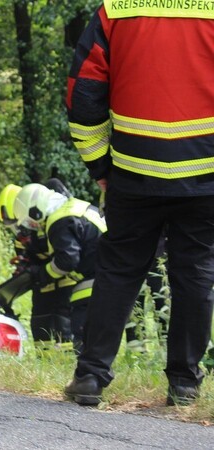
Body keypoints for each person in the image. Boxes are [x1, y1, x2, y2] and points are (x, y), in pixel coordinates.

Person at [64, 3, 214, 407]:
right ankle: (184, 384)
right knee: (195, 272)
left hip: (133, 171)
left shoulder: (117, 10)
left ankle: (91, 376)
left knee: (118, 270)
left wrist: (98, 163)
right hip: (205, 173)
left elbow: (85, 93)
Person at [11, 183, 106, 352]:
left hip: (100, 273)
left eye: (30, 221)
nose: (33, 226)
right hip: (111, 269)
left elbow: (67, 261)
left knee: (81, 324)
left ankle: (87, 370)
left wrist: (40, 274)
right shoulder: (71, 207)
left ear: (36, 209)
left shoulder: (58, 220)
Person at [0, 183, 75, 351]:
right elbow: (26, 262)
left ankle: (70, 366)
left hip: (67, 284)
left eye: (16, 223)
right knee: (40, 327)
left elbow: (65, 258)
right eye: (10, 225)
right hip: (42, 287)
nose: (16, 229)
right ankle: (44, 364)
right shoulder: (22, 238)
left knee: (65, 327)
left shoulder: (50, 225)